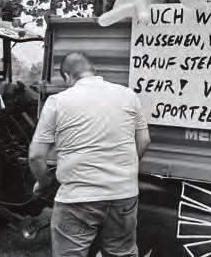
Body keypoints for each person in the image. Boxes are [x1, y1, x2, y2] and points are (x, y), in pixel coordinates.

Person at [29, 52, 150, 257]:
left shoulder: (57, 102)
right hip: (123, 195)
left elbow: (36, 157)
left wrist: (44, 183)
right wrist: (123, 170)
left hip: (77, 199)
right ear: (95, 71)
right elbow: (144, 141)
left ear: (67, 77)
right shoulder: (128, 95)